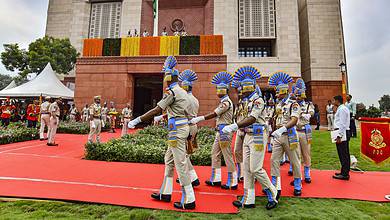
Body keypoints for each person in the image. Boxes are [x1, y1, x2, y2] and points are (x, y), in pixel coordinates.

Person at [127, 56, 196, 210]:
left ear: (170, 77)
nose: (164, 78)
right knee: (169, 160)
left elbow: (158, 108)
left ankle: (189, 199)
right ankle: (165, 192)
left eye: (166, 75)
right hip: (178, 129)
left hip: (176, 131)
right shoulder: (182, 92)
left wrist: (138, 119)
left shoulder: (172, 92)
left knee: (180, 164)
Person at [222, 66, 278, 210]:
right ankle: (248, 199)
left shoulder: (258, 100)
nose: (242, 90)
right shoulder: (246, 101)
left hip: (258, 135)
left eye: (244, 87)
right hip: (247, 134)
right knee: (246, 168)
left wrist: (233, 126)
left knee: (255, 168)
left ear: (251, 87)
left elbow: (252, 118)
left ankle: (272, 192)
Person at [190, 71, 238, 190]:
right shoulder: (223, 102)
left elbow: (214, 114)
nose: (217, 92)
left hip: (225, 131)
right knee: (214, 153)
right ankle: (216, 179)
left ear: (224, 90)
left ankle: (233, 181)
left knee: (227, 156)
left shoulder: (226, 102)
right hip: (220, 131)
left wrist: (200, 118)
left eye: (219, 90)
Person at [268, 72, 302, 198]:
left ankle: (298, 184)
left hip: (289, 135)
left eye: (278, 91)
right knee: (274, 160)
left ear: (284, 91)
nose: (276, 94)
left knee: (294, 161)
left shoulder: (293, 104)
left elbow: (294, 120)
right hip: (278, 136)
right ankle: (275, 185)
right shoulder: (279, 104)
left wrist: (282, 128)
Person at [167, 69, 201, 187]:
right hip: (193, 126)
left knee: (182, 155)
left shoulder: (184, 98)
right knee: (184, 154)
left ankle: (190, 178)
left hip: (185, 125)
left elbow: (181, 112)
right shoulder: (195, 99)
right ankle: (192, 177)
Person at [294, 78, 315, 183]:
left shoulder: (308, 105)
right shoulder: (293, 105)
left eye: (299, 95)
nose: (297, 97)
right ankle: (298, 176)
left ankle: (307, 173)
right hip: (295, 131)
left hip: (305, 131)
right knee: (296, 154)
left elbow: (311, 113)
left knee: (306, 153)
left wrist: (304, 114)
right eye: (296, 95)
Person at [333, 95, 351, 180]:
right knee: (342, 153)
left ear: (337, 101)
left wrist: (339, 135)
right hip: (341, 131)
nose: (333, 102)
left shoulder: (342, 109)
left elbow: (343, 123)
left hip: (342, 132)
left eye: (334, 100)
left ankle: (345, 174)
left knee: (344, 153)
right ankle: (343, 171)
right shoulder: (341, 108)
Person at [231, 80, 245, 182]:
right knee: (236, 151)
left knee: (247, 154)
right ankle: (240, 172)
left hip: (248, 131)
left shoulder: (250, 103)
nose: (239, 95)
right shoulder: (239, 104)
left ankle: (246, 174)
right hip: (239, 131)